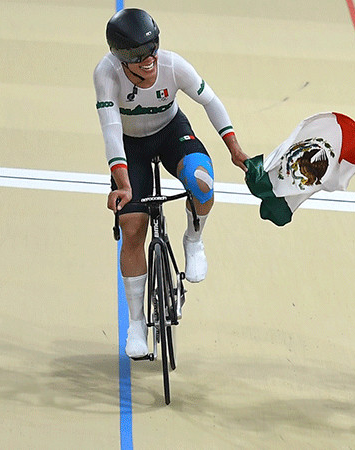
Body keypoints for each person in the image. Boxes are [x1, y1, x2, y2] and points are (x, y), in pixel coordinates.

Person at [93, 8, 249, 358]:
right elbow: (111, 131)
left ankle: (193, 239)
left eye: (152, 51)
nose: (149, 62)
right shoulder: (105, 74)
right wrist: (123, 184)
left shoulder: (173, 65)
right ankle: (136, 323)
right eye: (137, 57)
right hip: (130, 146)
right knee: (133, 226)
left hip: (170, 132)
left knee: (202, 182)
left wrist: (235, 150)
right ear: (120, 59)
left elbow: (210, 102)